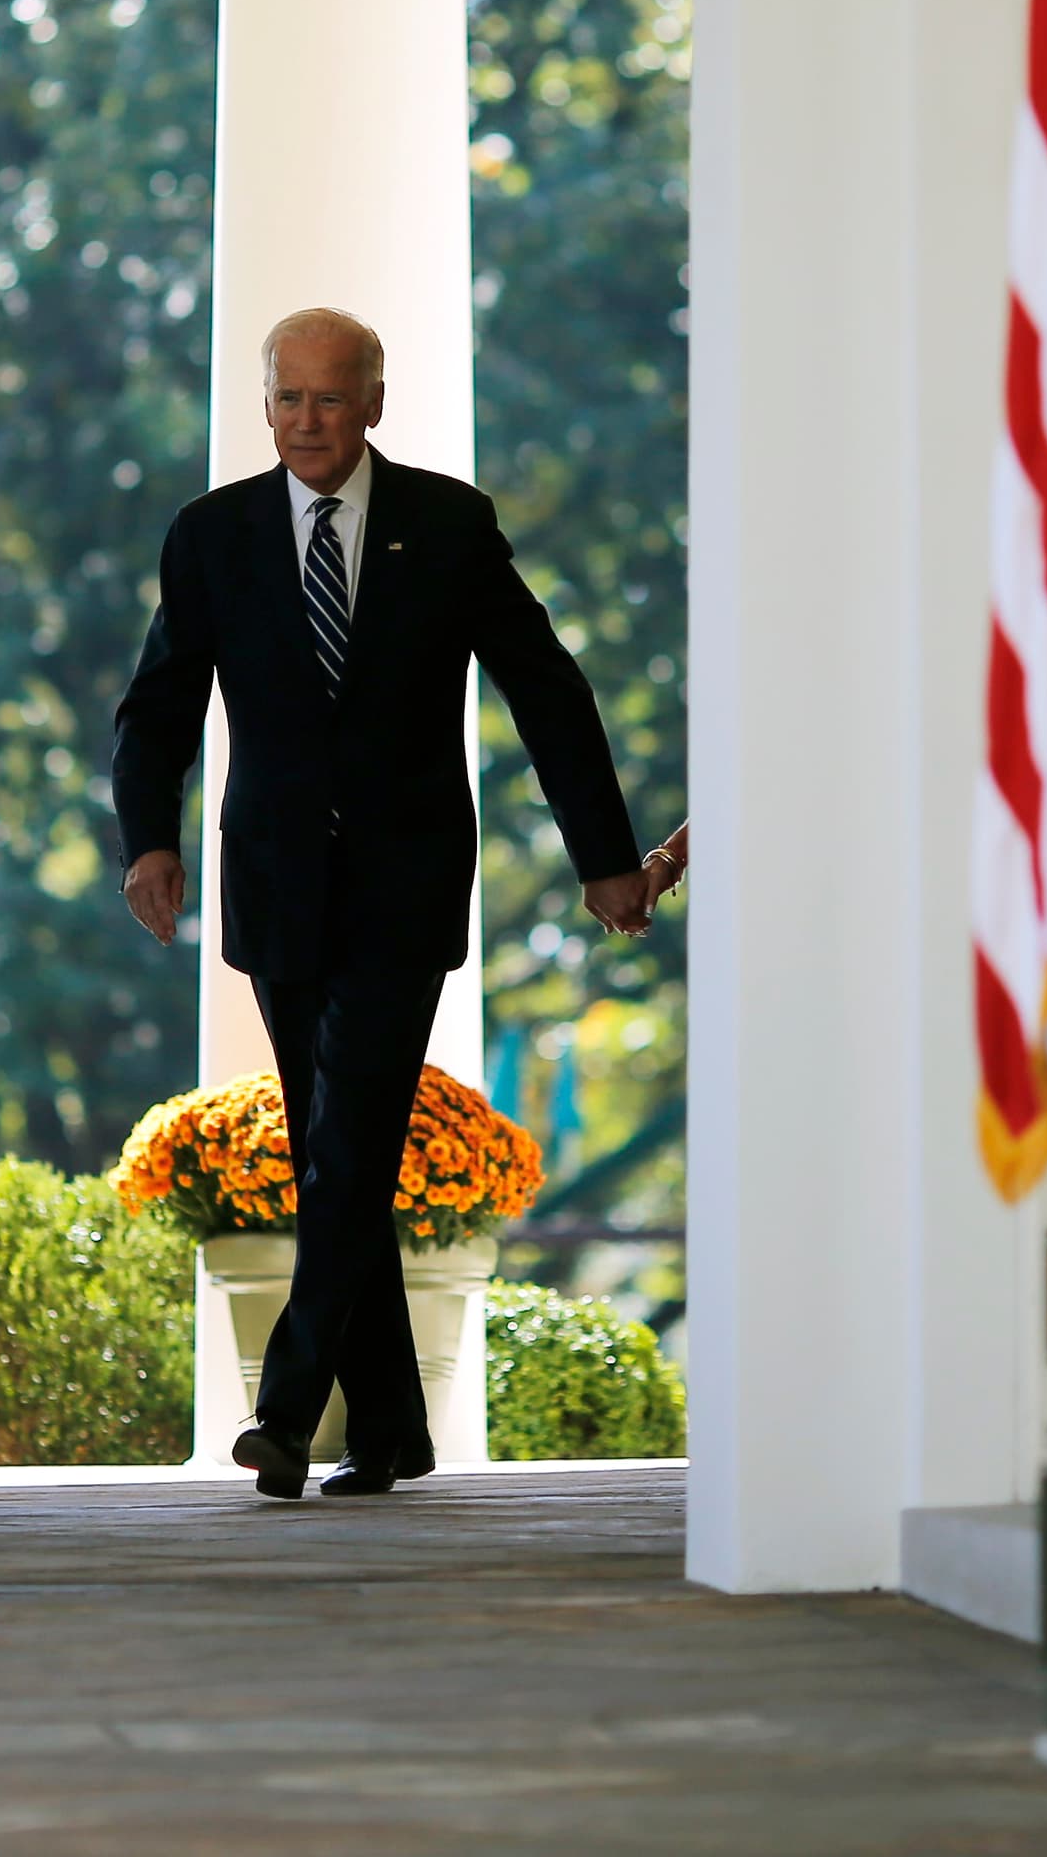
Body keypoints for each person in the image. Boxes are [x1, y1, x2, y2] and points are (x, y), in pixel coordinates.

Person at [110, 307, 662, 1499]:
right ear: (266, 405)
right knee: (333, 1155)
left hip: (405, 889)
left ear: (373, 400)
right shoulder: (212, 536)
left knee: (350, 1138)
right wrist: (148, 841)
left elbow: (547, 689)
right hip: (273, 886)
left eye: (330, 397)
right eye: (288, 398)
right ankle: (397, 1430)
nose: (308, 421)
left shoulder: (448, 526)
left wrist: (604, 857)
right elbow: (159, 705)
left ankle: (286, 1412)